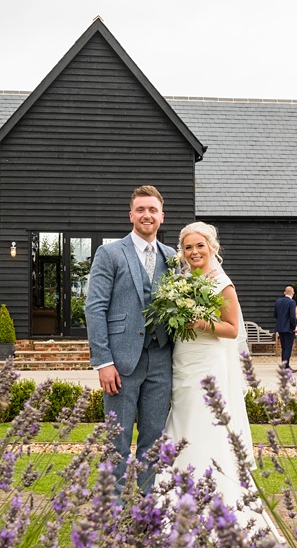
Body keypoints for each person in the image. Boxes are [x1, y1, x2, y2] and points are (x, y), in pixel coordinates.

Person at [164, 222, 280, 536]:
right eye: (188, 247)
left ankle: (216, 499)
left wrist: (200, 322)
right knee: (182, 420)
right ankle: (176, 498)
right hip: (183, 360)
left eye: (199, 246)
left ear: (211, 248)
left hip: (208, 362)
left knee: (207, 422)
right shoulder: (182, 281)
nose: (194, 252)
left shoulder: (222, 283)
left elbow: (232, 329)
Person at [85, 185, 175, 493]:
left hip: (161, 360)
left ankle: (148, 504)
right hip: (121, 361)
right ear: (131, 215)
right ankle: (114, 505)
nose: (146, 215)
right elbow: (95, 307)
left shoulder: (172, 257)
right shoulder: (110, 253)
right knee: (117, 439)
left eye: (152, 210)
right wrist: (103, 361)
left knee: (154, 438)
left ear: (161, 216)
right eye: (141, 209)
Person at [273, 286, 297, 370]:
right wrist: (294, 326)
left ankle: (283, 364)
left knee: (283, 347)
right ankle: (286, 366)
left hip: (280, 326)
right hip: (289, 328)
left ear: (284, 293)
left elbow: (275, 314)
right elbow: (292, 316)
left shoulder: (278, 301)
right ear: (293, 293)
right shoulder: (292, 302)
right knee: (288, 347)